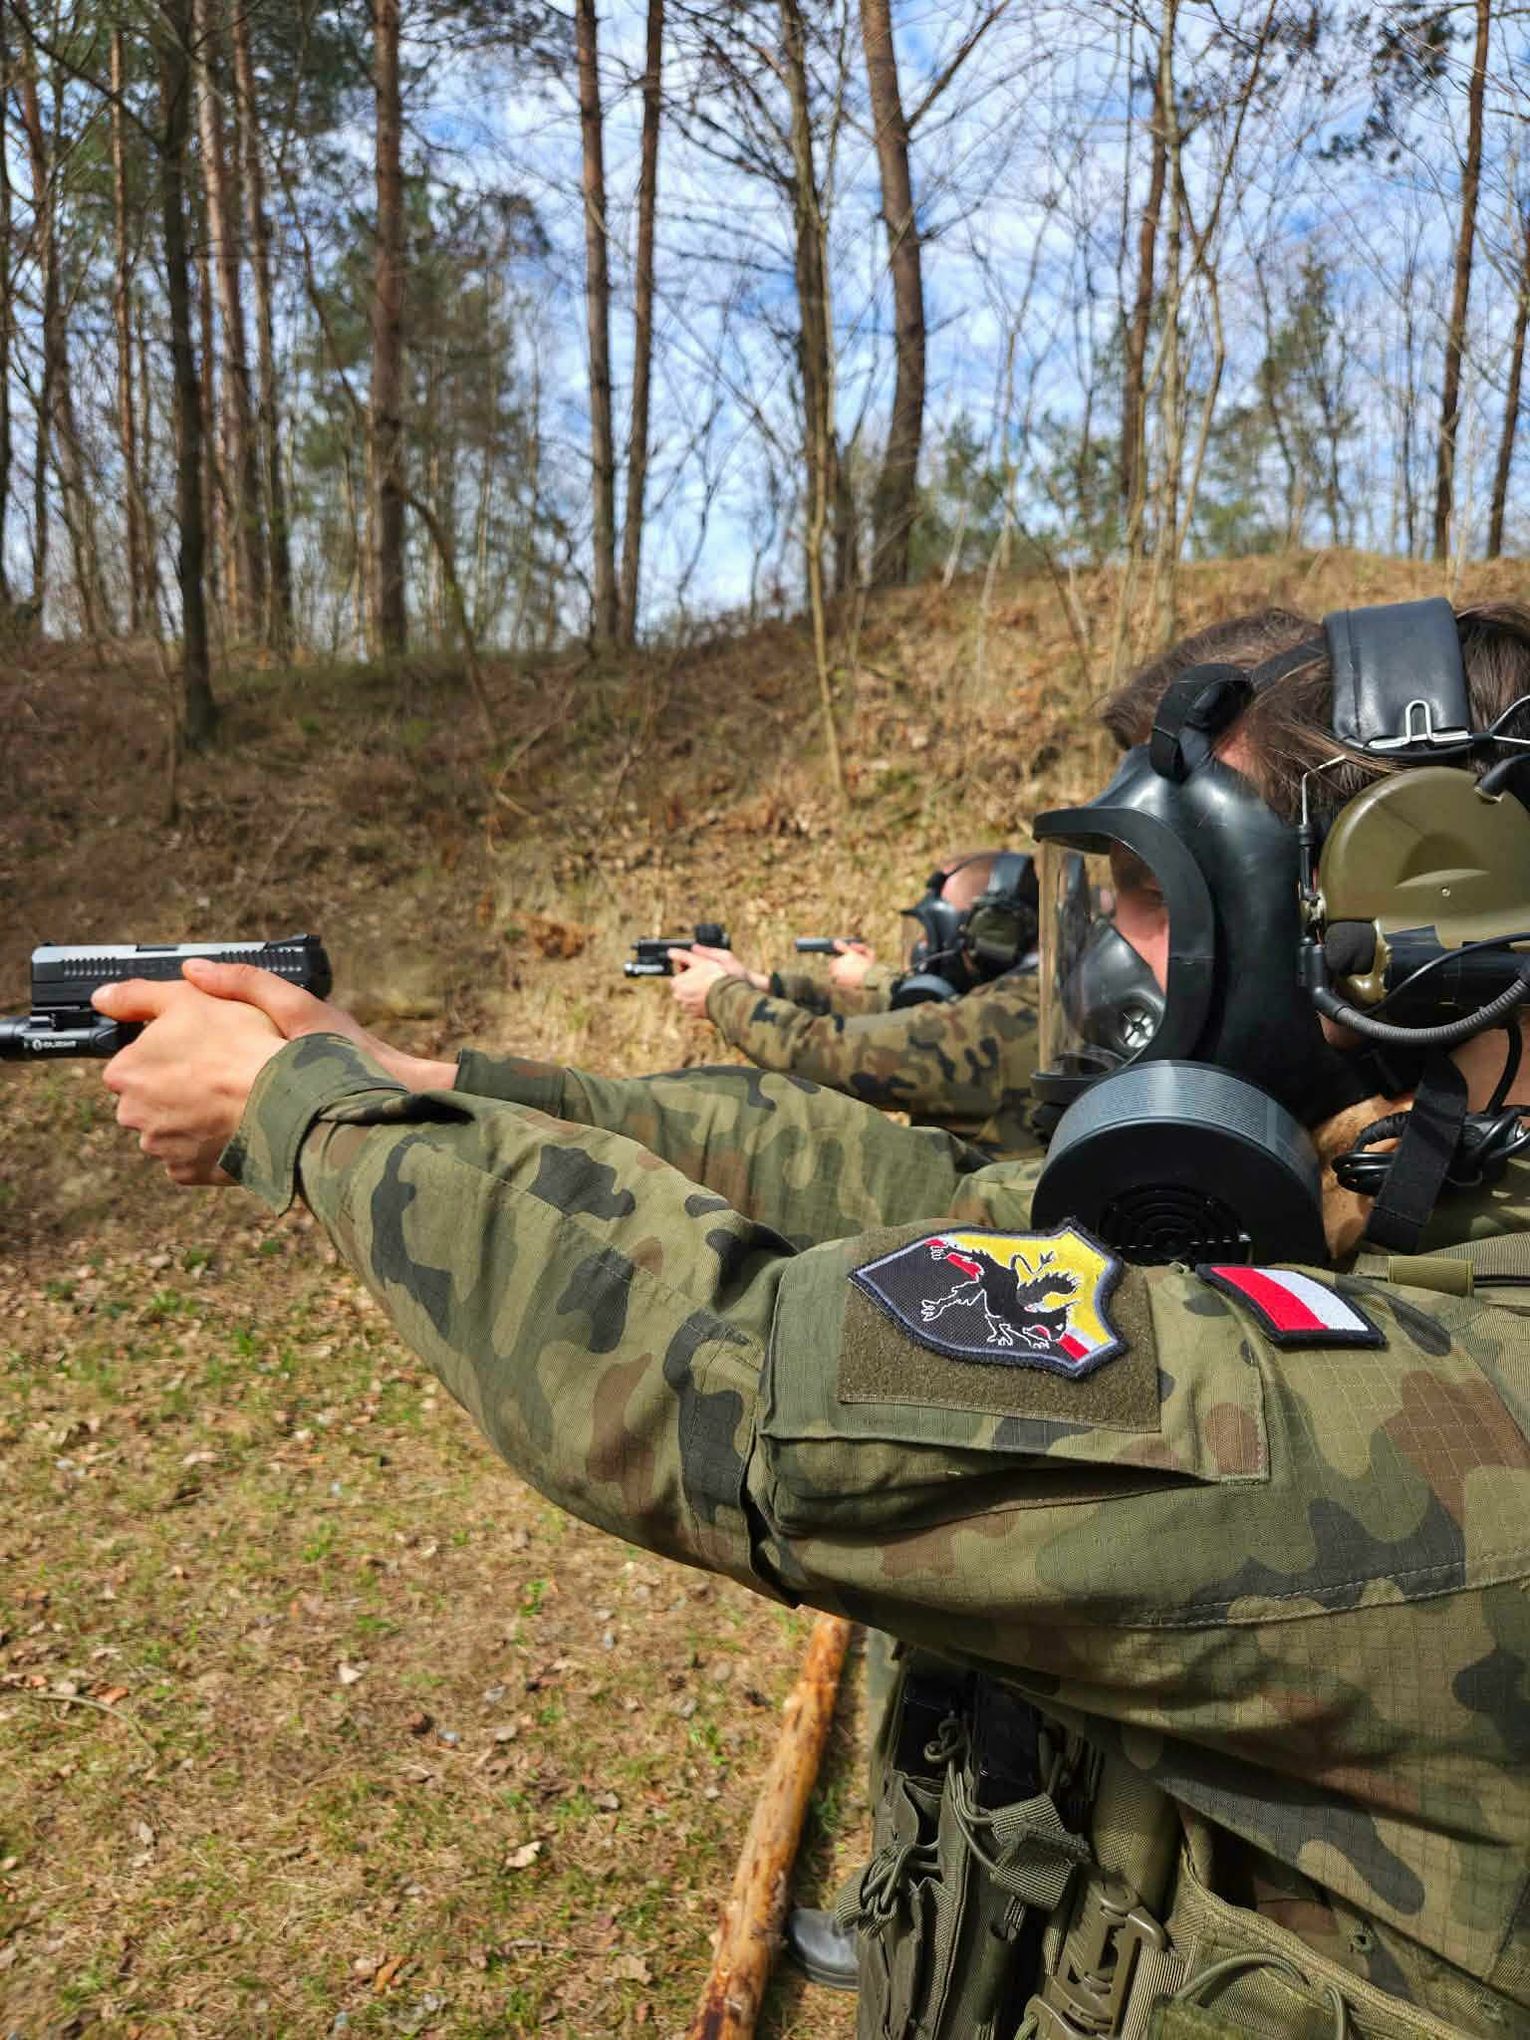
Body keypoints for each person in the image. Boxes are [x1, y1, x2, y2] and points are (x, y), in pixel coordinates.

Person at [92, 598, 1530, 2040]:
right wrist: (428, 1077)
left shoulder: (1459, 1413)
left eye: (1164, 895)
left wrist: (302, 1115)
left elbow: (733, 1372)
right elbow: (916, 1189)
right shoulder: (1377, 1199)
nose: (1110, 955)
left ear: (1415, 925)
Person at [664, 851, 1047, 1157]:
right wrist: (763, 986)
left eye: (937, 934)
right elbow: (899, 1015)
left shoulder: (991, 1024)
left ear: (994, 935)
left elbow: (812, 1051)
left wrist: (721, 995)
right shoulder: (1041, 996)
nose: (925, 948)